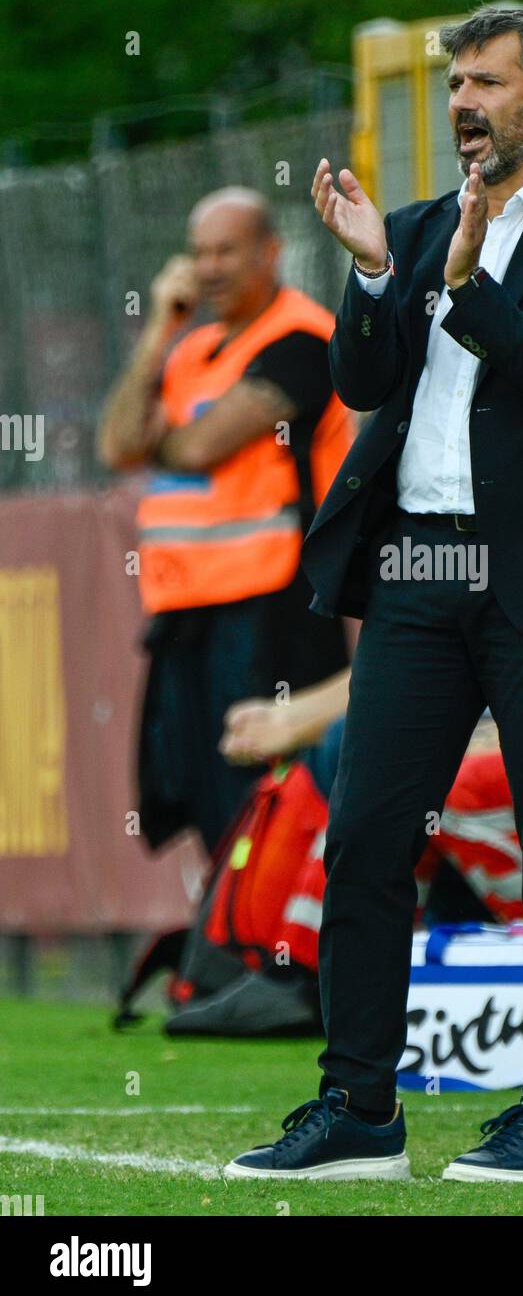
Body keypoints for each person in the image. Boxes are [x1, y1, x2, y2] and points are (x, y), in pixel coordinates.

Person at [225, 5, 523, 1184]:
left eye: (486, 81)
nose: (463, 102)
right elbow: (362, 380)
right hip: (421, 570)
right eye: (454, 84)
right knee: (369, 834)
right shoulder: (419, 226)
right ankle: (358, 1108)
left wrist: (474, 291)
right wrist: (378, 269)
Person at [97, 187, 353, 856]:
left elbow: (198, 446)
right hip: (188, 610)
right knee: (205, 803)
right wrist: (158, 331)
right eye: (199, 253)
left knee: (269, 799)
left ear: (270, 252)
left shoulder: (302, 337)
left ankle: (281, 950)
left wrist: (167, 434)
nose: (209, 267)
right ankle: (229, 944)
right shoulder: (190, 348)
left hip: (276, 608)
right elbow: (116, 445)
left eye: (226, 251)